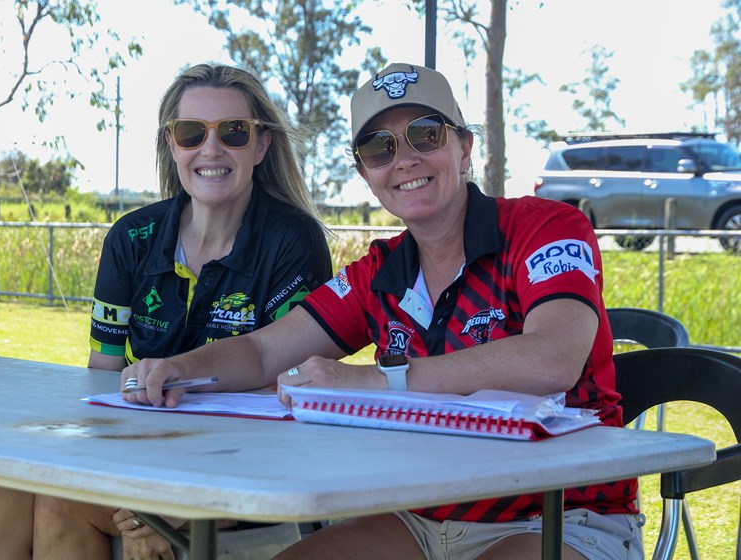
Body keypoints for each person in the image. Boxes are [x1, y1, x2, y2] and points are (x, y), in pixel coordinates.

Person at [120, 62, 644, 560]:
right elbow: (262, 350)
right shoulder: (379, 271)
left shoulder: (544, 228)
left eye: (425, 134)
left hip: (563, 514)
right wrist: (180, 369)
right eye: (379, 147)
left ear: (464, 147)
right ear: (365, 172)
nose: (404, 158)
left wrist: (376, 379)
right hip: (418, 517)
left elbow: (553, 359)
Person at [0, 63, 332, 560]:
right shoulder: (130, 238)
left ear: (261, 145)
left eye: (233, 132)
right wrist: (130, 481)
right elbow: (101, 378)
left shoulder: (293, 239)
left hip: (242, 464)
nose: (211, 148)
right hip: (137, 452)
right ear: (170, 143)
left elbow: (287, 389)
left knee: (60, 502)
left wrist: (168, 504)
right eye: (190, 133)